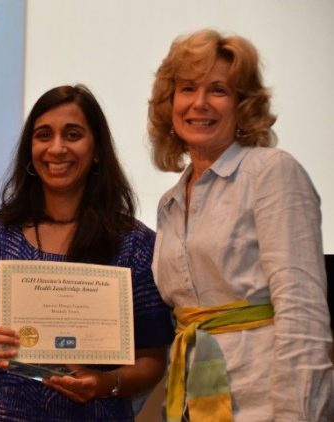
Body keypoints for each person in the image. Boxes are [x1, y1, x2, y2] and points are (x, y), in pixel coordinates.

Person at [0, 84, 174, 421]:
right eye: (43, 135)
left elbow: (152, 360)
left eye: (73, 134)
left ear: (96, 149)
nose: (57, 148)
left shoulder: (135, 243)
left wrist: (104, 383)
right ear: (30, 149)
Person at [148, 29, 334, 421]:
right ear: (169, 103)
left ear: (242, 104)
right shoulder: (170, 201)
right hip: (188, 405)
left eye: (218, 90)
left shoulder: (272, 172)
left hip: (264, 405)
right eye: (187, 89)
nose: (199, 103)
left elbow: (303, 312)